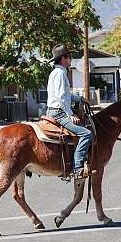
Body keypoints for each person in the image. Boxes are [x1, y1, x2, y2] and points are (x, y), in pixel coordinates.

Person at [46, 44, 93, 180]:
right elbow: (61, 97)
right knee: (86, 133)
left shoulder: (57, 72)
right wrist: (70, 114)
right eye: (69, 56)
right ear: (63, 59)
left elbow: (65, 95)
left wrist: (80, 99)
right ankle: (78, 168)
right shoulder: (60, 73)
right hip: (59, 112)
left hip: (56, 110)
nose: (71, 59)